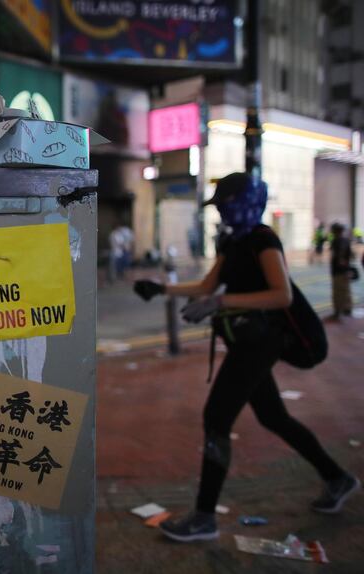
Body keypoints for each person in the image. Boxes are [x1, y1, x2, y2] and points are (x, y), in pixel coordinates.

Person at [133, 173, 359, 543]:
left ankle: (205, 516)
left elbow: (281, 295)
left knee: (216, 417)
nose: (221, 210)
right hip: (249, 341)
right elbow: (207, 286)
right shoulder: (233, 242)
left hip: (262, 341)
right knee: (273, 416)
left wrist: (221, 302)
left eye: (225, 203)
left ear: (244, 202)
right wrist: (163, 289)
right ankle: (337, 477)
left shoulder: (263, 240)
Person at [329, 222, 353, 320]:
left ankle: (338, 311)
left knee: (337, 291)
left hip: (339, 271)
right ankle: (347, 308)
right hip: (345, 270)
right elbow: (351, 255)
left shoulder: (336, 241)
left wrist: (341, 264)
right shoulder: (346, 240)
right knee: (346, 290)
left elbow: (339, 255)